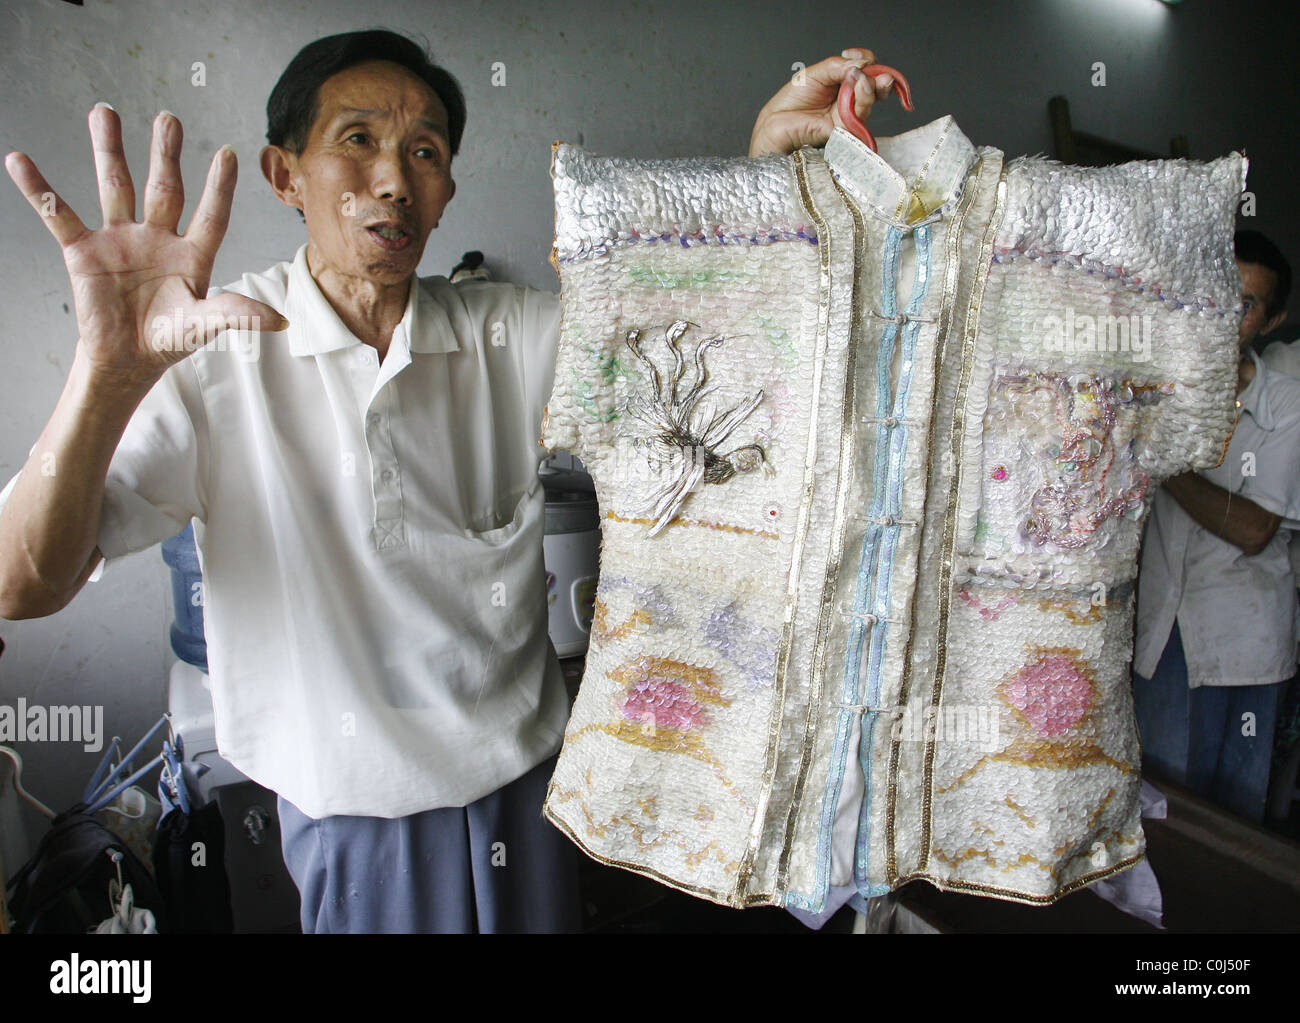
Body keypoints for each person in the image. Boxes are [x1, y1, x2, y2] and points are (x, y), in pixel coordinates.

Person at [0, 29, 897, 932]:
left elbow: (691, 331)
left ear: (446, 193)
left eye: (423, 151)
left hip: (528, 790)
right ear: (285, 174)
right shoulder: (214, 355)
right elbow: (21, 583)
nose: (393, 179)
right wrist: (105, 376)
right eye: (357, 140)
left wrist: (761, 174)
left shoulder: (506, 333)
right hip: (357, 822)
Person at [1132, 229, 1300, 825]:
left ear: (1272, 321)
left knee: (1227, 825)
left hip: (1242, 643)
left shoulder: (1287, 407)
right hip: (1160, 636)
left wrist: (1158, 458)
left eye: (1248, 303)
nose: (1228, 311)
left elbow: (1255, 530)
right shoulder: (1149, 388)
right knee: (1157, 812)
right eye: (1222, 291)